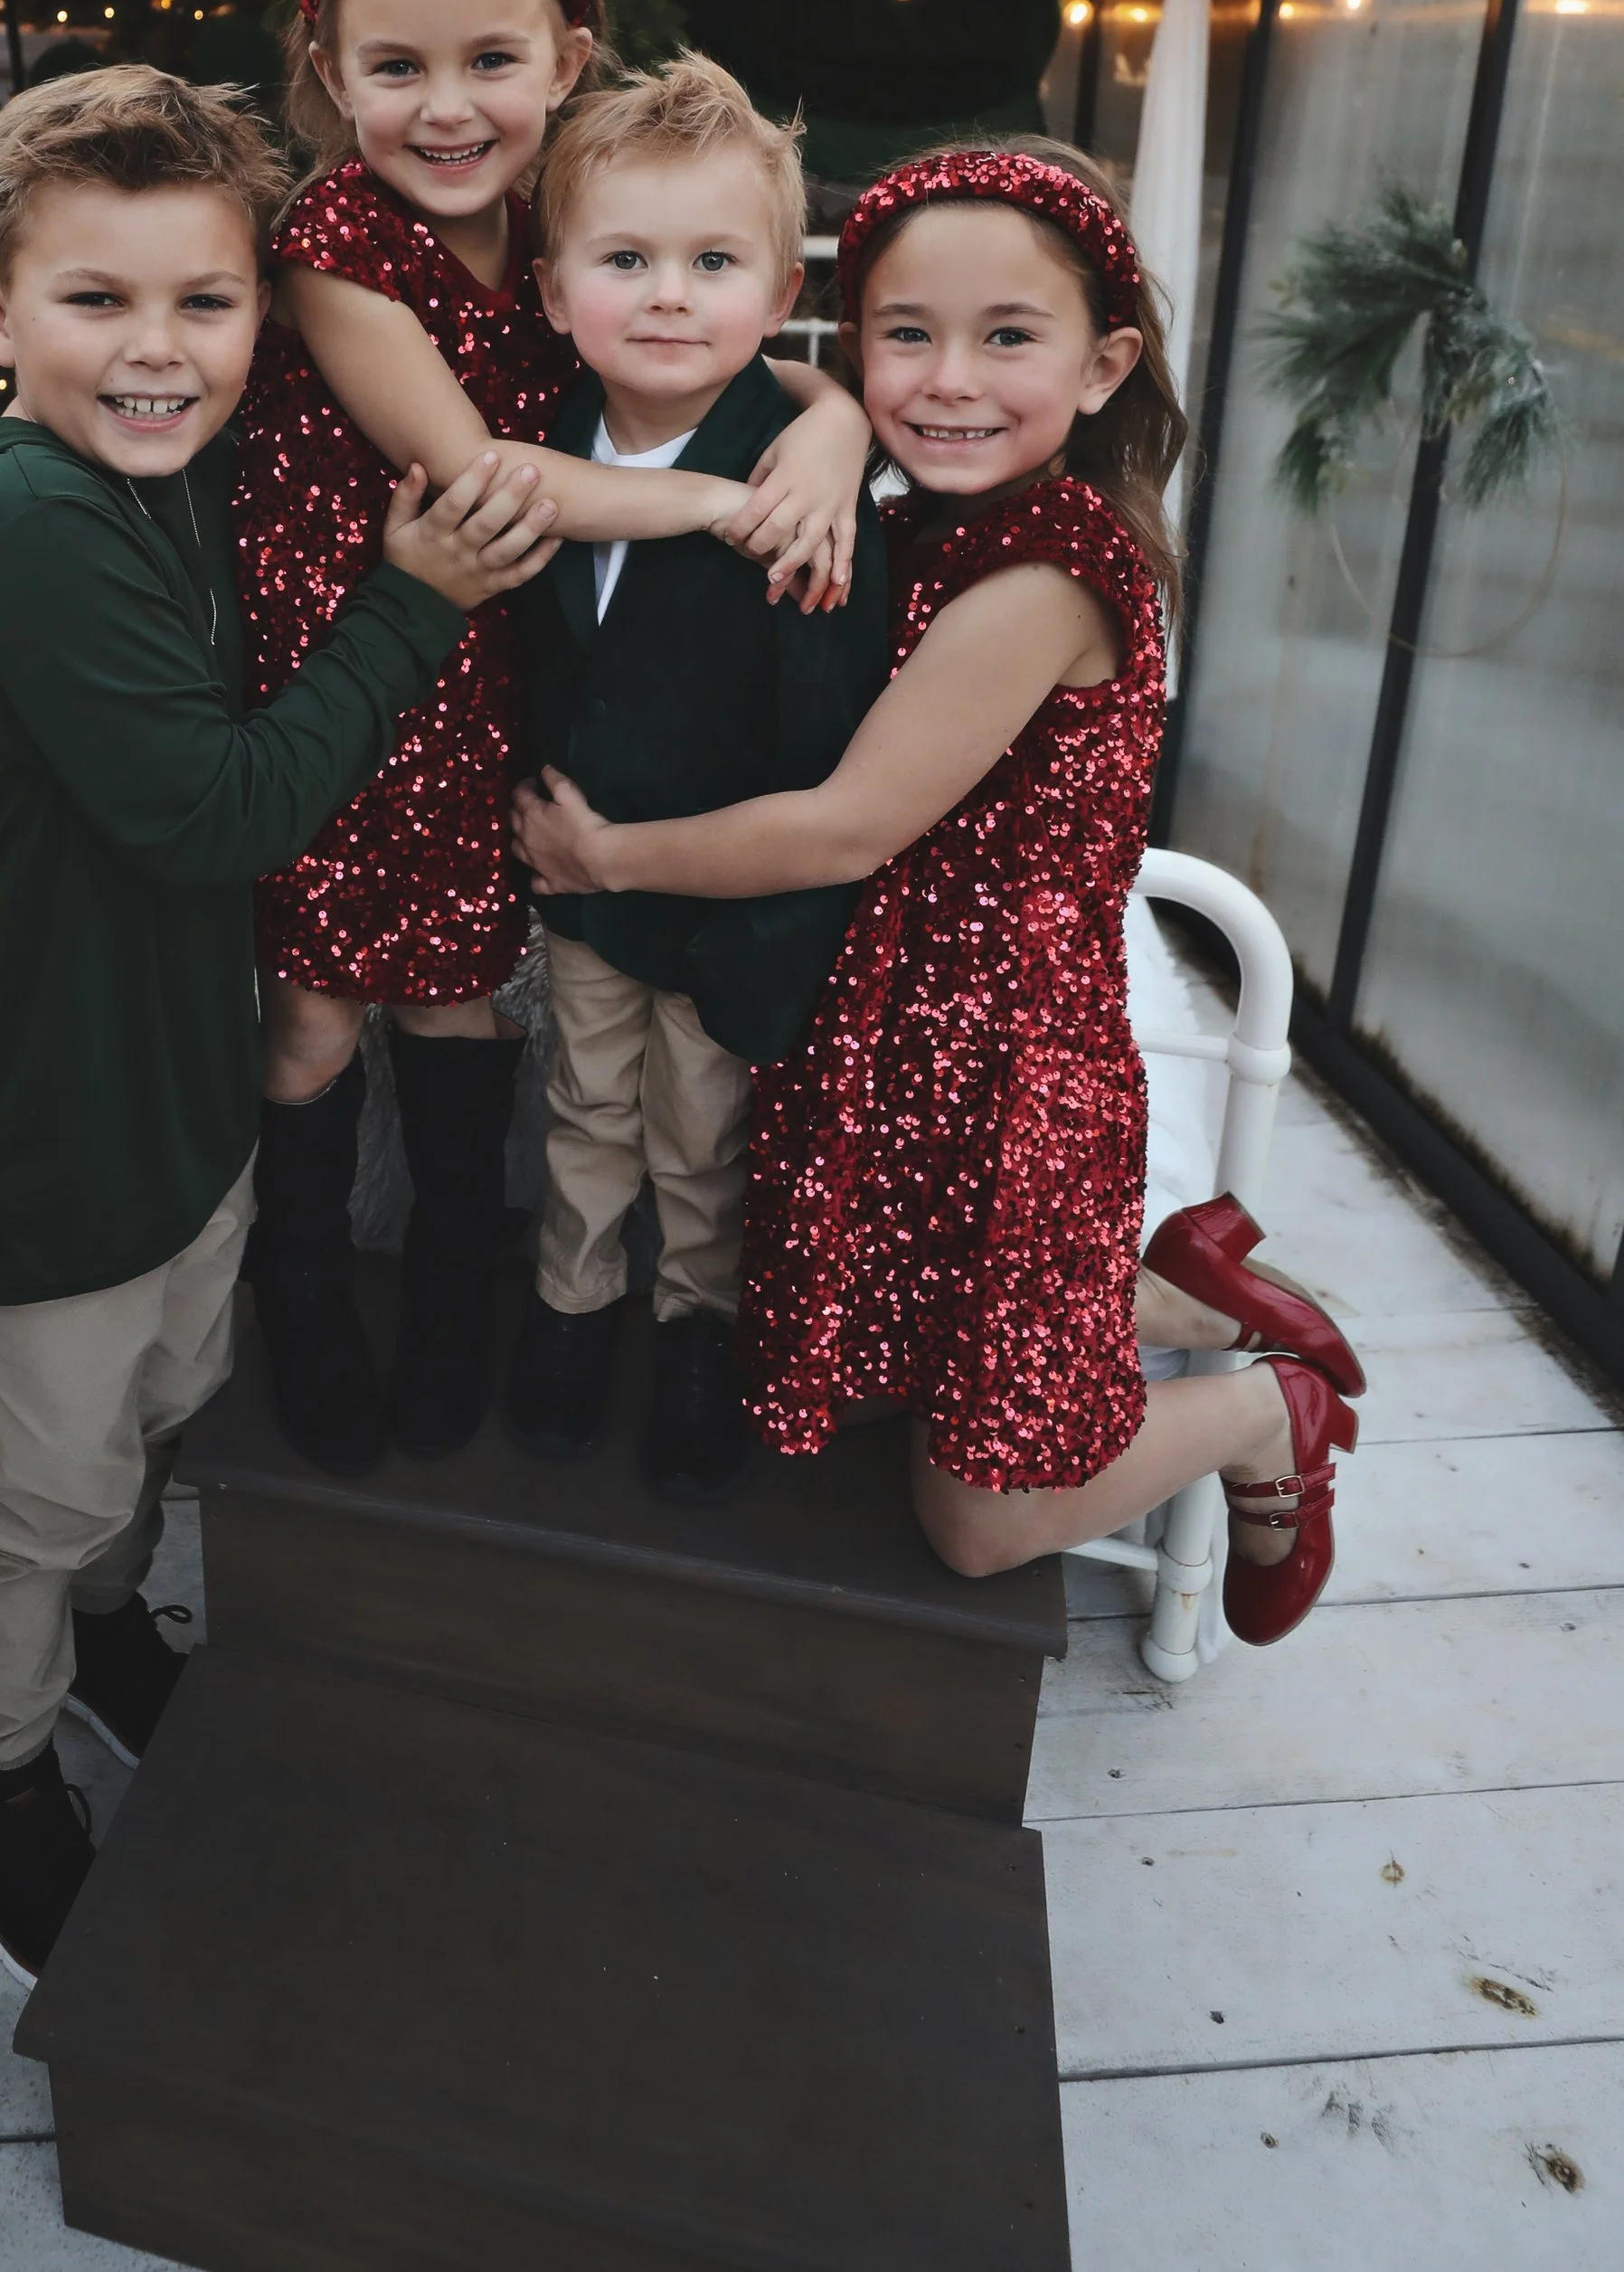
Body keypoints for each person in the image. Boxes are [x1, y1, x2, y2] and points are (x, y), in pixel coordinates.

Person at [0, 66, 558, 1986]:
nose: (157, 353)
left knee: (153, 1406)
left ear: (262, 314)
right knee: (43, 1469)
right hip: (38, 1120)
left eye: (202, 305)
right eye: (96, 303)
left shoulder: (179, 471)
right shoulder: (36, 527)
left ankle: (113, 1628)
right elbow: (212, 811)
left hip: (169, 1078)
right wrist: (409, 614)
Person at [516, 142, 1365, 1645]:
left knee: (979, 1524)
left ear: (1105, 365)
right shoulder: (922, 515)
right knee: (852, 1330)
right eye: (906, 336)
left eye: (1008, 337)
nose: (949, 379)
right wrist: (838, 419)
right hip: (887, 1037)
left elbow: (849, 827)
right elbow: (740, 381)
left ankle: (1259, 1410)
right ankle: (1164, 1291)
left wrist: (609, 859)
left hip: (1000, 1068)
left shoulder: (1040, 576)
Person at [231, 0, 871, 1474]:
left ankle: (461, 1305)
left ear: (567, 62)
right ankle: (303, 1301)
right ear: (329, 75)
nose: (446, 108)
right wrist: (739, 496)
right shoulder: (334, 236)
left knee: (458, 1011)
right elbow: (486, 479)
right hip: (345, 673)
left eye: (490, 62)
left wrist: (843, 417)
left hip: (486, 692)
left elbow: (742, 338)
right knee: (312, 1019)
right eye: (396, 68)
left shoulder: (565, 229)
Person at [505, 57, 890, 1500]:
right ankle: (571, 1303)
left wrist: (779, 930)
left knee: (704, 1131)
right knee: (584, 1100)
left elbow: (822, 739)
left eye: (712, 261)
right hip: (576, 874)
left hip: (722, 893)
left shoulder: (802, 485)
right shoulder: (539, 436)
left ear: (783, 286)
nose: (669, 294)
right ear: (555, 291)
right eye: (626, 259)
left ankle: (692, 1328)